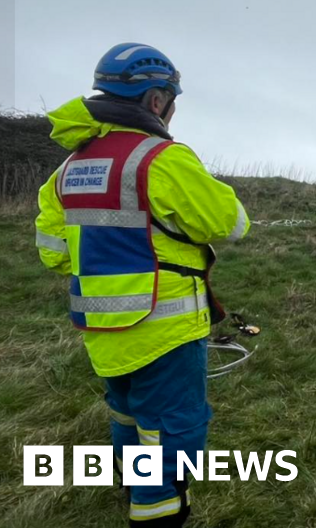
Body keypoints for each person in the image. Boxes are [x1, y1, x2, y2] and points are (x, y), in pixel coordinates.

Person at [34, 43, 249, 527]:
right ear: (156, 100)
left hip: (100, 326)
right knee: (172, 425)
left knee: (127, 412)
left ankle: (133, 482)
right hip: (164, 326)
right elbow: (231, 222)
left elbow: (52, 252)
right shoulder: (161, 159)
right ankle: (158, 507)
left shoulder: (66, 170)